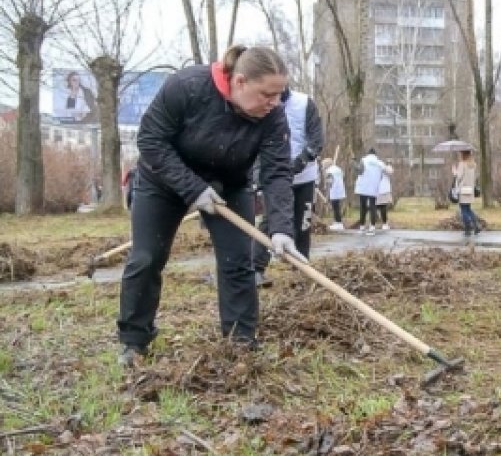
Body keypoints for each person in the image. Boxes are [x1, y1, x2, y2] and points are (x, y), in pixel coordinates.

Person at [116, 45, 305, 367]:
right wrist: (192, 188)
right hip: (162, 180)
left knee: (237, 263)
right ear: (241, 82)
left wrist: (281, 228)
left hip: (229, 186)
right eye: (266, 94)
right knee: (147, 258)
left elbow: (276, 172)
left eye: (279, 95)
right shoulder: (188, 86)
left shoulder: (272, 115)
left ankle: (241, 342)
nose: (274, 103)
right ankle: (135, 341)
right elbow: (150, 139)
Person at [252, 87, 325, 286]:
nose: (274, 97)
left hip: (304, 176)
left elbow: (316, 139)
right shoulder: (261, 104)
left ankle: (300, 271)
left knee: (303, 222)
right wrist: (259, 174)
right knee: (270, 221)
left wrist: (300, 161)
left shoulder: (304, 103)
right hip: (274, 177)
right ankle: (256, 268)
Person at [354, 149, 391, 235]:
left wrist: (354, 162)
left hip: (363, 187)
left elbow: (359, 170)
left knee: (363, 207)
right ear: (375, 154)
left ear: (368, 154)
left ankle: (362, 226)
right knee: (372, 207)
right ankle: (372, 227)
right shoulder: (379, 162)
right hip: (374, 187)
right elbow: (387, 171)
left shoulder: (363, 160)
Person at [452, 149, 482, 237]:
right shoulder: (473, 164)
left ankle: (468, 228)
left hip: (463, 190)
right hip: (470, 190)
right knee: (468, 208)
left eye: (461, 153)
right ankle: (476, 225)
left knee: (464, 210)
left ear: (463, 154)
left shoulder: (462, 164)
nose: (460, 155)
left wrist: (454, 171)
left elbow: (459, 176)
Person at [323, 158, 346, 230]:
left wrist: (327, 196)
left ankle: (339, 223)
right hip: (340, 190)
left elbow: (329, 183)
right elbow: (343, 176)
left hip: (334, 190)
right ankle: (337, 222)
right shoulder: (338, 169)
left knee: (335, 208)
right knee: (337, 207)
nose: (323, 167)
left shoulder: (329, 171)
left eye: (323, 165)